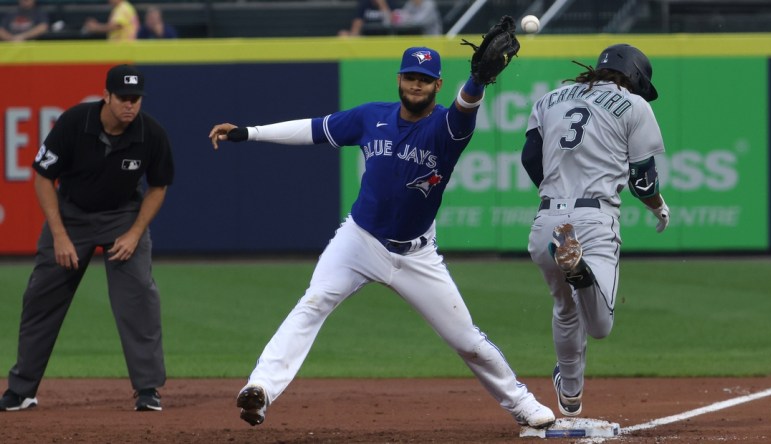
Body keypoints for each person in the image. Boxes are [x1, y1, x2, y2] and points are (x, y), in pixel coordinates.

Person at [209, 44, 556, 430]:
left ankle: (522, 403)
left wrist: (477, 80)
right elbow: (312, 129)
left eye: (425, 79)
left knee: (465, 339)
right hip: (360, 240)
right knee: (315, 301)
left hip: (416, 256)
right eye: (411, 76)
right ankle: (260, 389)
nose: (416, 84)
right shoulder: (371, 116)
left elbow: (465, 106)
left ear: (438, 85)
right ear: (399, 79)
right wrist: (248, 133)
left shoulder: (445, 129)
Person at [0, 64, 174, 413]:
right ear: (106, 96)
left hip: (122, 217)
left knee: (139, 296)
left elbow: (158, 186)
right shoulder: (74, 123)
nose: (130, 105)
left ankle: (147, 390)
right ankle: (21, 391)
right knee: (40, 300)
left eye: (136, 98)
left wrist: (135, 232)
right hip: (71, 216)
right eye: (123, 98)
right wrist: (60, 236)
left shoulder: (150, 133)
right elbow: (43, 178)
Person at [521, 44, 670, 417]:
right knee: (599, 325)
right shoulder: (634, 106)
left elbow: (528, 157)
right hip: (593, 220)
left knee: (565, 308)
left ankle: (569, 396)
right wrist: (659, 207)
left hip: (547, 223)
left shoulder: (549, 98)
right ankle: (580, 270)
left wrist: (555, 193)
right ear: (633, 75)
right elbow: (643, 181)